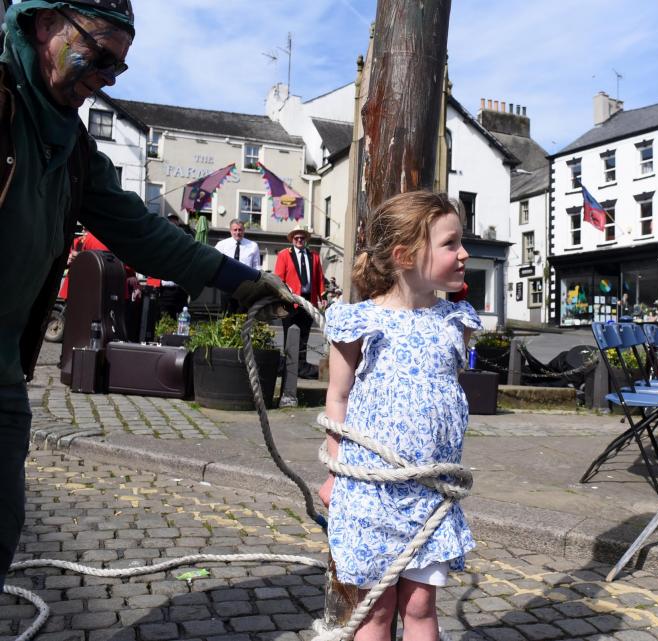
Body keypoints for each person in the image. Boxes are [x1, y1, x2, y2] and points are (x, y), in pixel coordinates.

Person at [0, 0, 291, 591]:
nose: (107, 77)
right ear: (44, 21)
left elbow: (144, 232)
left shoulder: (76, 149)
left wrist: (239, 282)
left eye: (119, 68)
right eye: (101, 54)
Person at [318, 191, 479, 641]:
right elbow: (338, 399)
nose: (464, 253)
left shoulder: (456, 320)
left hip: (429, 493)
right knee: (376, 611)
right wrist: (336, 469)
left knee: (422, 605)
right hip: (369, 492)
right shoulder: (358, 322)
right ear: (404, 255)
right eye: (450, 244)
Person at [274, 225, 324, 378]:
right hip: (291, 301)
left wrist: (322, 297)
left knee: (304, 335)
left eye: (302, 238)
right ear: (292, 239)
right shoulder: (284, 255)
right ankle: (288, 368)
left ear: (306, 239)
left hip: (308, 302)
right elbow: (278, 279)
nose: (299, 240)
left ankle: (301, 367)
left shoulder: (314, 256)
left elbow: (319, 278)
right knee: (290, 335)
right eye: (297, 238)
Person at [215, 219, 261, 313]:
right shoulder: (222, 245)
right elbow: (215, 263)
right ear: (230, 231)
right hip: (226, 285)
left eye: (240, 230)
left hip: (245, 286)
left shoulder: (253, 246)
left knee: (243, 314)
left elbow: (256, 267)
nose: (238, 232)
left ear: (244, 230)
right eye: (235, 230)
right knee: (226, 314)